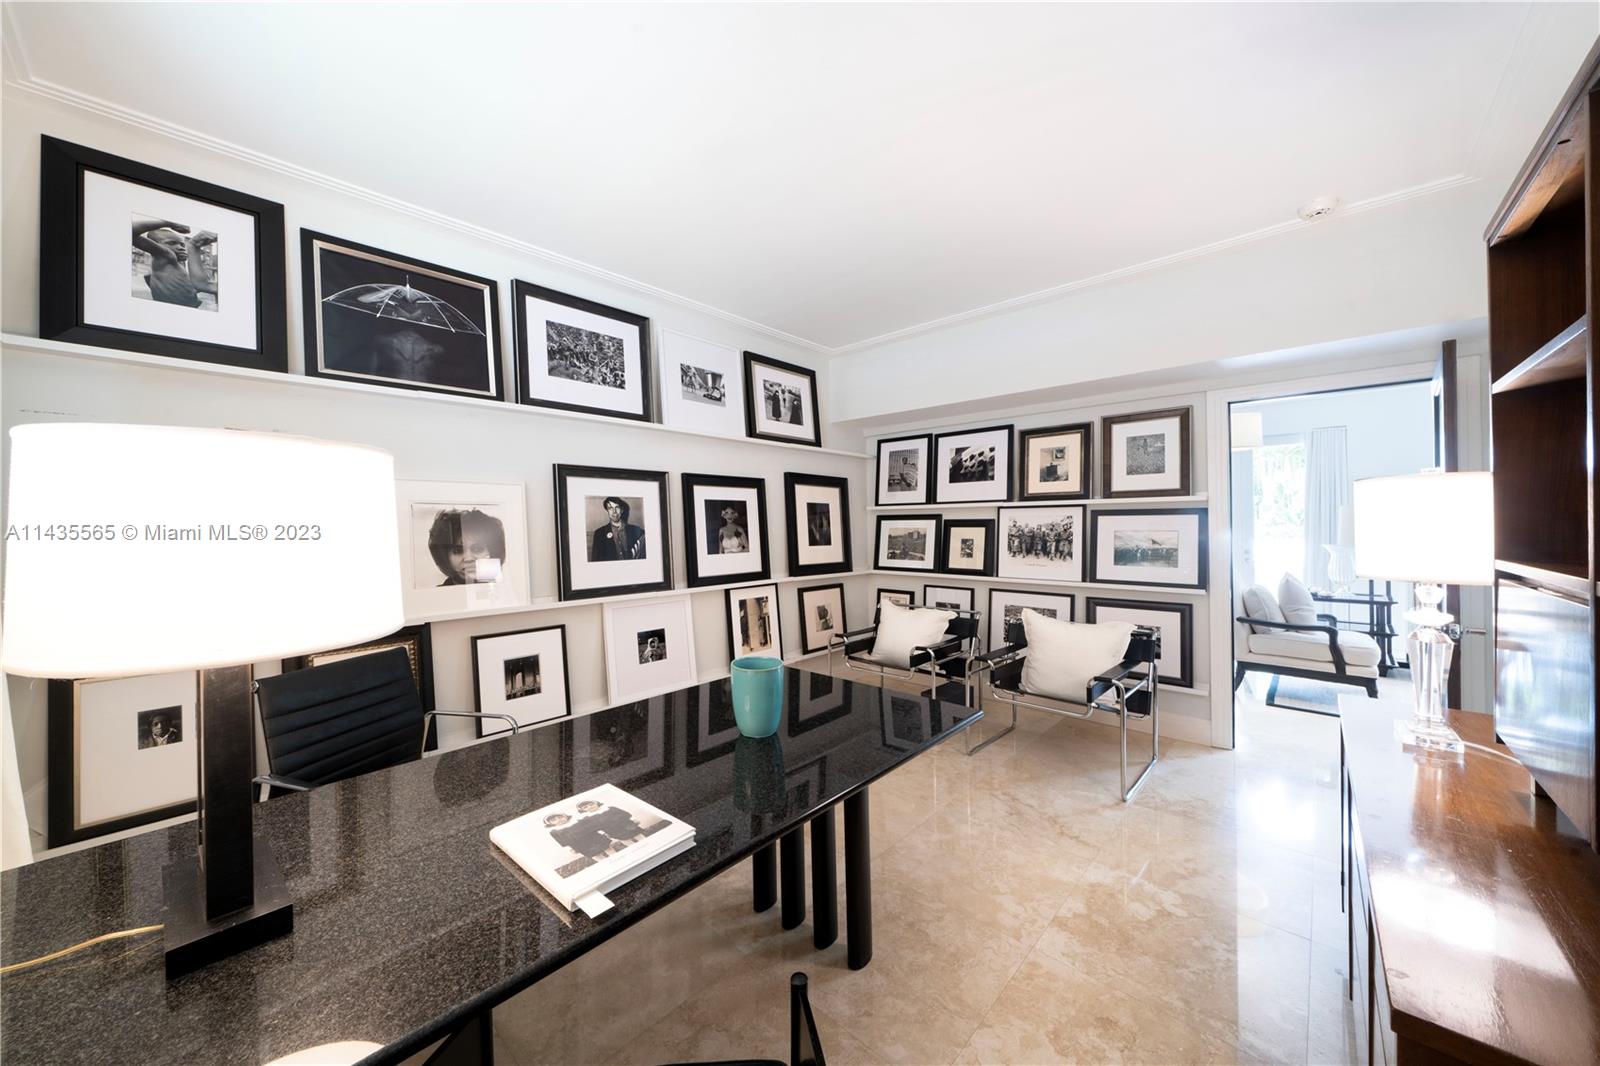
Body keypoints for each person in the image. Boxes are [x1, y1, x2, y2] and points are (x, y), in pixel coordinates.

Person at [132, 219, 216, 309]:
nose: (180, 247)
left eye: (182, 245)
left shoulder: (175, 265)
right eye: (172, 243)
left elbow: (179, 286)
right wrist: (169, 223)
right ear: (155, 244)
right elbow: (131, 230)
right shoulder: (166, 255)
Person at [427, 508, 507, 586]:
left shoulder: (505, 590)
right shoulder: (437, 597)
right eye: (458, 551)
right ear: (445, 557)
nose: (468, 559)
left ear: (493, 552)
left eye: (477, 549)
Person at [591, 496, 646, 561]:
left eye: (617, 507)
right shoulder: (599, 534)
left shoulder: (636, 531)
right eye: (610, 508)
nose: (614, 512)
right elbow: (596, 561)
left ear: (622, 510)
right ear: (607, 511)